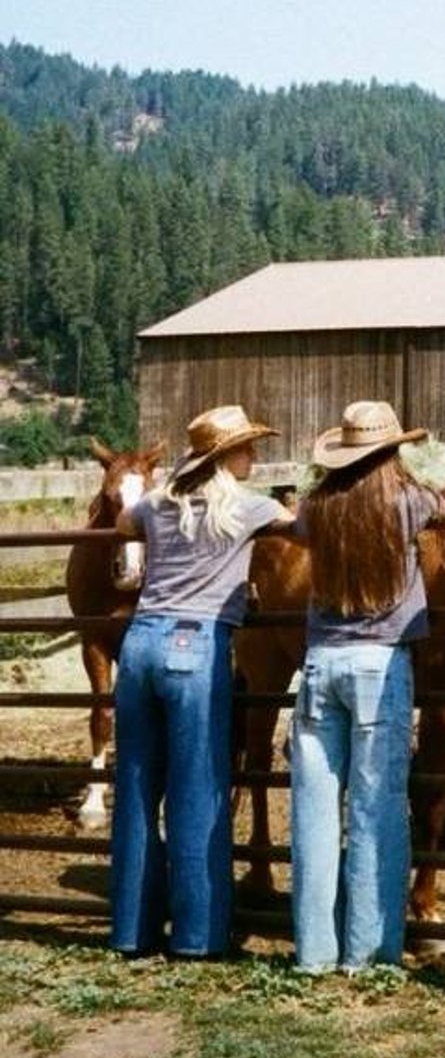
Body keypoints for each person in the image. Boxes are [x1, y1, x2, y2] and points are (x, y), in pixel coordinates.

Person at [110, 404, 291, 959]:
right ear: (225, 457)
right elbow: (305, 528)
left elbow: (123, 524)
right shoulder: (250, 506)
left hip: (140, 642)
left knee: (136, 787)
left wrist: (172, 486)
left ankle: (132, 930)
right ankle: (197, 936)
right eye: (246, 447)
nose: (253, 455)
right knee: (198, 788)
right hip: (196, 644)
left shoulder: (158, 503)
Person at [288, 400, 445, 973]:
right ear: (391, 452)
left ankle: (313, 951)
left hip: (320, 664)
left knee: (313, 812)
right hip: (380, 665)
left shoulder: (317, 509)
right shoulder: (411, 502)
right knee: (376, 807)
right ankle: (370, 950)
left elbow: (294, 524)